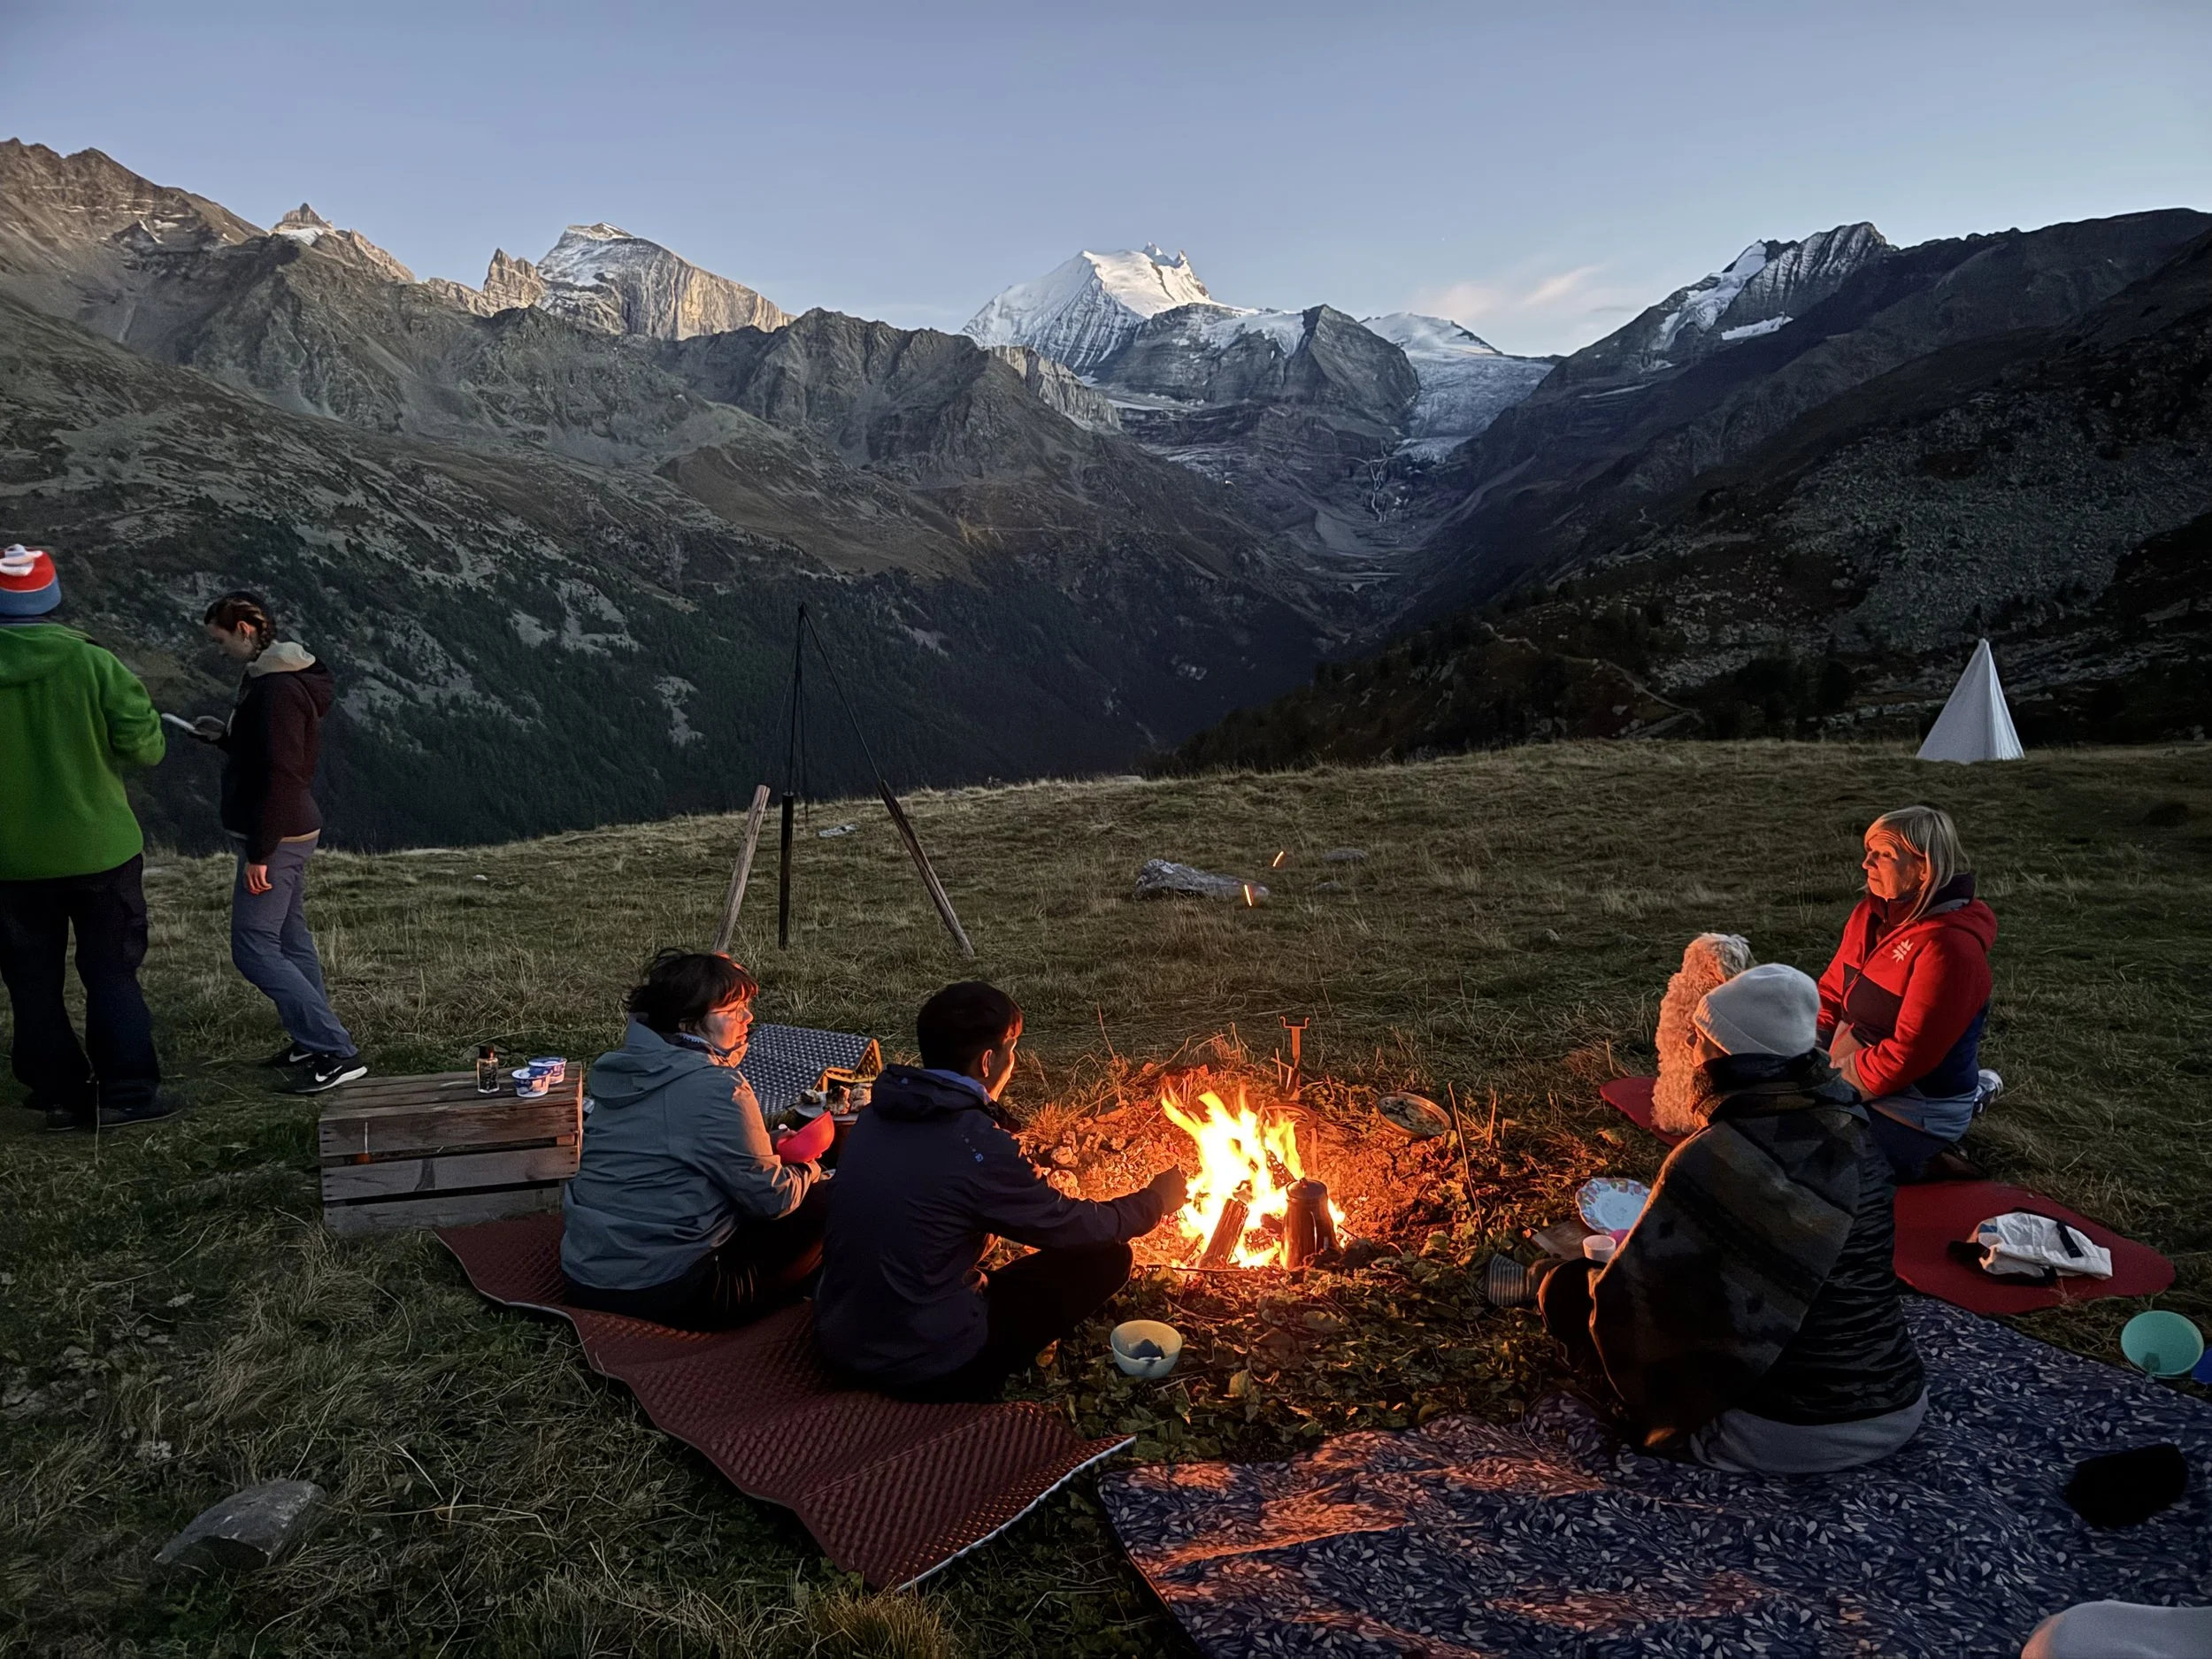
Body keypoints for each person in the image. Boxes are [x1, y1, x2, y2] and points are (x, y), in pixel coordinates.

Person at [1538, 964, 1926, 1475]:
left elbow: (1651, 1309)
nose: (1692, 1049)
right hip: (1898, 1402)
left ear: (1724, 1053)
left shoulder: (1721, 1153)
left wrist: (1586, 1287)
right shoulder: (1853, 1128)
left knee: (1563, 1289)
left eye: (1699, 1038)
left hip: (1790, 1430)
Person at [815, 981, 1187, 1402]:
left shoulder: (876, 1115)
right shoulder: (973, 1144)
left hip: (841, 1334)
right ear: (988, 1060)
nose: (1016, 1061)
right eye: (1013, 1049)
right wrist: (1153, 1202)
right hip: (924, 1363)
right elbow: (1068, 1225)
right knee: (1108, 1257)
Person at [0, 545, 182, 1130]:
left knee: (31, 981)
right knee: (110, 970)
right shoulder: (94, 665)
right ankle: (128, 1092)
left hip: (11, 862)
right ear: (51, 598)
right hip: (99, 850)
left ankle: (59, 1093)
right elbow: (146, 747)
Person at [561, 949, 826, 1329]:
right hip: (663, 1290)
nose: (747, 1018)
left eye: (746, 1006)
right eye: (732, 1011)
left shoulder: (630, 1067)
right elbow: (772, 1199)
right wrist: (809, 1167)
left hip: (586, 1275)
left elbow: (670, 1139)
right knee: (825, 1202)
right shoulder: (715, 1086)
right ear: (689, 1025)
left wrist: (760, 1141)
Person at [192, 593, 363, 1094]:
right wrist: (225, 738)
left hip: (278, 835)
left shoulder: (276, 690)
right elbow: (268, 750)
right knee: (289, 939)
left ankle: (336, 1050)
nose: (219, 650)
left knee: (252, 947)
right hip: (289, 827)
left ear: (245, 629)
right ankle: (312, 1039)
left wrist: (261, 853)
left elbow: (282, 772)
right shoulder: (275, 679)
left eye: (221, 639)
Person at [1817, 805, 2000, 1180]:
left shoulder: (1950, 949)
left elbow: (1907, 1056)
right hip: (1850, 1074)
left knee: (1818, 1166)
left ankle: (1933, 1152)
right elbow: (1832, 993)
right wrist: (1811, 1056)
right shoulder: (1869, 915)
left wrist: (1830, 1087)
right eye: (1868, 851)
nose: (1866, 863)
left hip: (1915, 1106)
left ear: (1924, 868)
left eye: (1883, 854)